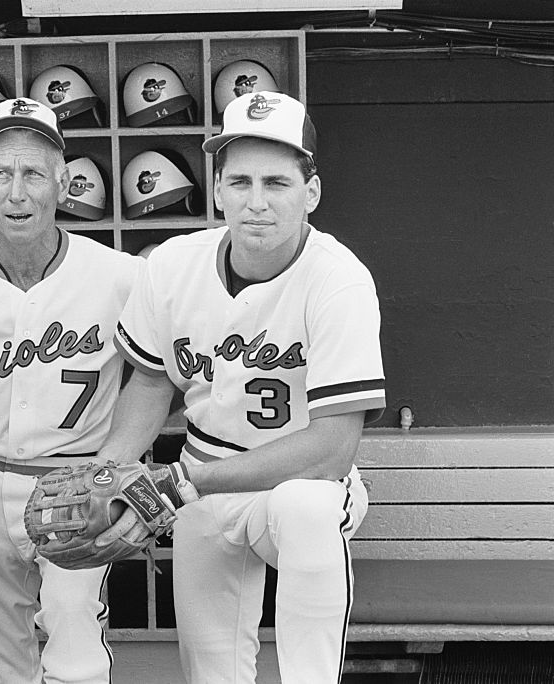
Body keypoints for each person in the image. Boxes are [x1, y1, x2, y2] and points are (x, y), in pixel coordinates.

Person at [97, 91, 386, 683]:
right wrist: (109, 476)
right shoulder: (173, 265)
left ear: (312, 193)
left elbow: (333, 448)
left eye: (277, 183)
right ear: (219, 188)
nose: (256, 202)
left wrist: (183, 482)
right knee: (212, 671)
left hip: (302, 478)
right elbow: (152, 382)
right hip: (202, 478)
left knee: (303, 509)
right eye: (241, 182)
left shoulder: (340, 281)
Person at [0, 97, 143, 684]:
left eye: (34, 174)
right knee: (0, 660)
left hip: (76, 481)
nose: (17, 193)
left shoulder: (121, 277)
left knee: (76, 647)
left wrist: (113, 462)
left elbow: (157, 377)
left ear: (62, 183)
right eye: (2, 175)